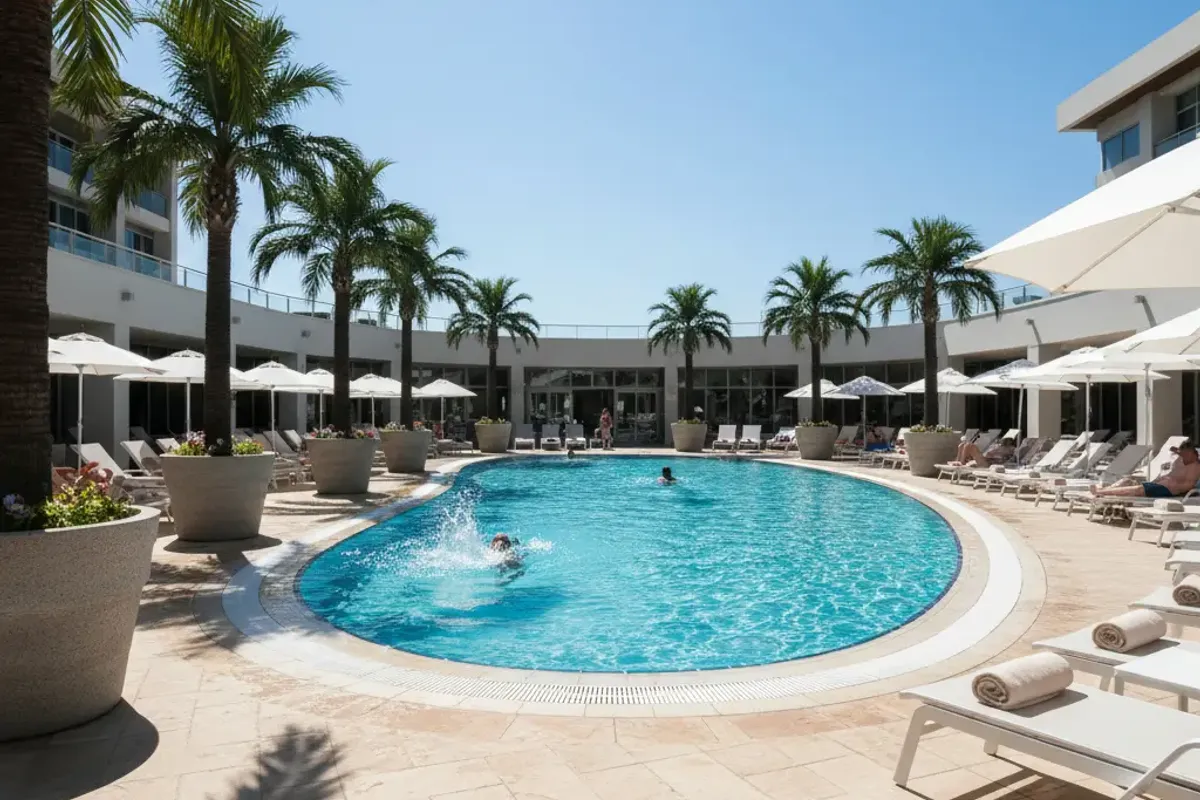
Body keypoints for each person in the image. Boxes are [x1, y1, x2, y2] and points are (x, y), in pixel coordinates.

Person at [1093, 439, 1200, 498]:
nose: (1182, 457)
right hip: (1162, 484)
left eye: (1185, 454)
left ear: (1192, 453)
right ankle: (1107, 489)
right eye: (1181, 454)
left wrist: (1173, 483)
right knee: (1128, 480)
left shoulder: (1195, 467)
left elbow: (1188, 486)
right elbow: (1175, 450)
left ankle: (1102, 492)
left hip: (1170, 490)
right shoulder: (1185, 459)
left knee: (1138, 490)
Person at [948, 437, 1016, 468]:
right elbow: (988, 454)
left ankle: (961, 462)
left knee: (970, 445)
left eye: (1005, 439)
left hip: (989, 464)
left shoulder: (1011, 448)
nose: (1002, 440)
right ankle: (958, 460)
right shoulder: (997, 447)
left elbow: (1007, 458)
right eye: (1002, 439)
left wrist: (995, 454)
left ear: (1010, 441)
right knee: (962, 445)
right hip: (985, 459)